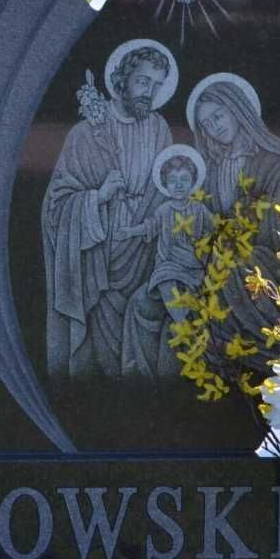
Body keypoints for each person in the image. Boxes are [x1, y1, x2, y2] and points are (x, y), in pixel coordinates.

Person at [41, 42, 177, 377]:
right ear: (122, 79)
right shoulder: (86, 132)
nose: (149, 92)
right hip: (98, 253)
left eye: (157, 85)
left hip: (144, 248)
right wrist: (97, 197)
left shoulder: (159, 129)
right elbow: (57, 202)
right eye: (143, 81)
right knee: (99, 358)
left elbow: (168, 188)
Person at [188, 74, 280, 338]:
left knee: (232, 273)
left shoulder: (277, 165)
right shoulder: (211, 168)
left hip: (267, 261)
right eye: (206, 124)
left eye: (218, 116)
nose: (214, 127)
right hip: (219, 256)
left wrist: (239, 242)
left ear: (237, 109)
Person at [120, 146, 212, 378]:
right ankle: (181, 321)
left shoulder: (200, 209)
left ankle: (187, 327)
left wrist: (200, 255)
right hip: (167, 265)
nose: (178, 185)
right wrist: (130, 232)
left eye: (184, 179)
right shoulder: (163, 210)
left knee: (177, 281)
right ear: (165, 184)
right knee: (165, 279)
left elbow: (213, 235)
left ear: (193, 181)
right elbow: (150, 227)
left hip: (193, 268)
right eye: (173, 180)